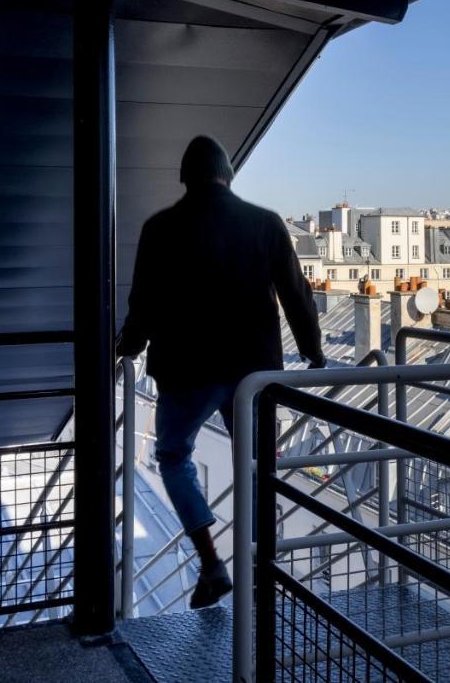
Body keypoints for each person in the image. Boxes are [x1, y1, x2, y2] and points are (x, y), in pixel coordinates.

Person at [116, 135, 325, 609]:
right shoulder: (266, 223)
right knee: (256, 465)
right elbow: (296, 293)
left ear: (184, 177)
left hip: (186, 370)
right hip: (254, 372)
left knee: (173, 458)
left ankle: (211, 563)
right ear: (228, 175)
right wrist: (313, 351)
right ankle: (260, 569)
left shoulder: (160, 228)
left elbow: (143, 304)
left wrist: (127, 347)